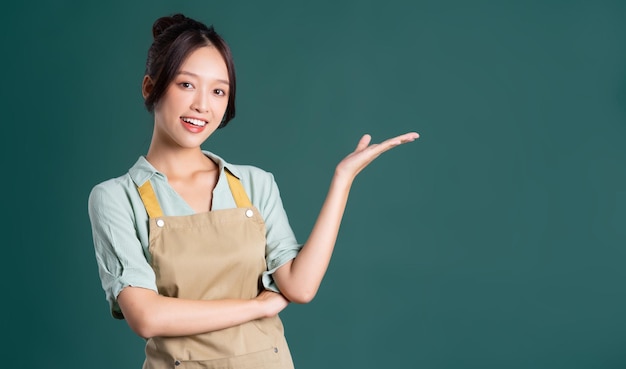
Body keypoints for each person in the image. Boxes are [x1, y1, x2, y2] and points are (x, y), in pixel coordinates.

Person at [88, 13, 419, 369]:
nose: (202, 105)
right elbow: (147, 317)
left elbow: (299, 286)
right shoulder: (115, 198)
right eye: (186, 85)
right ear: (150, 87)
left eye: (218, 91)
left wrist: (343, 179)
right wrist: (257, 307)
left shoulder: (254, 184)